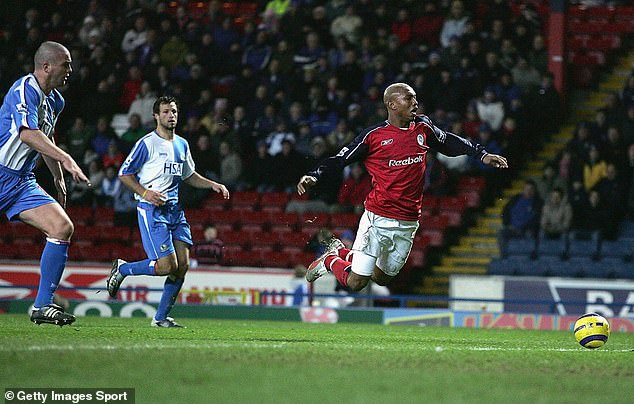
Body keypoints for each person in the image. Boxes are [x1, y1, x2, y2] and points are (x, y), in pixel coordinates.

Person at [296, 82, 507, 292]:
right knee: (356, 282)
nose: (415, 103)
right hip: (377, 219)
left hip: (408, 222)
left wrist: (481, 154)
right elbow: (340, 159)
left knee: (382, 278)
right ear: (392, 104)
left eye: (415, 98)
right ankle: (331, 260)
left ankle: (344, 253)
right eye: (408, 98)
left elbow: (448, 142)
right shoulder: (373, 136)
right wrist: (315, 174)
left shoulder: (423, 127)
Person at [106, 96, 230, 327]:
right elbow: (124, 173)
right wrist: (144, 193)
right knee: (166, 266)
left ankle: (161, 318)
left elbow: (189, 175)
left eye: (173, 111)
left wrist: (212, 184)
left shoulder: (182, 144)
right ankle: (123, 268)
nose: (170, 115)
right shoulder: (147, 143)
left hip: (175, 211)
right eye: (165, 112)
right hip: (152, 210)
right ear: (156, 116)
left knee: (182, 265)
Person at [0, 41, 90, 326]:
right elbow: (27, 133)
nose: (70, 70)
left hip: (21, 183)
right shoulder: (24, 89)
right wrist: (67, 159)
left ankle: (42, 305)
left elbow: (44, 139)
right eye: (66, 64)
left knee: (62, 226)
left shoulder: (55, 101)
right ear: (46, 66)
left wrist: (57, 176)